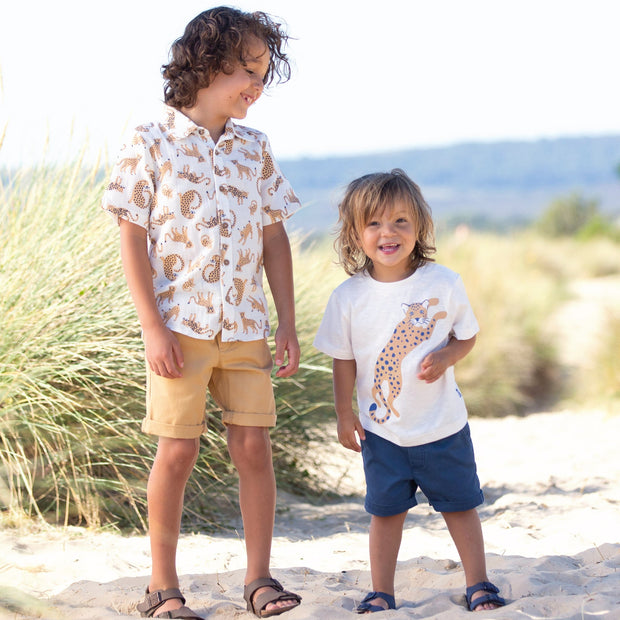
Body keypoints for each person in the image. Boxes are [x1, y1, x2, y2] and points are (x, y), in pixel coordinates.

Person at [102, 7, 302, 618]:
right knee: (177, 451)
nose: (257, 86)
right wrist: (151, 328)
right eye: (249, 70)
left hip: (245, 325)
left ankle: (260, 580)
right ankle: (163, 586)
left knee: (253, 447)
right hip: (179, 331)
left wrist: (287, 322)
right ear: (208, 65)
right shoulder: (151, 141)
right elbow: (131, 236)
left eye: (264, 74)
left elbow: (273, 238)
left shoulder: (255, 149)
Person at [313, 170, 506, 613]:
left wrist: (446, 358)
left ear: (419, 227)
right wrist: (344, 413)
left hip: (442, 426)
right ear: (355, 234)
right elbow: (343, 360)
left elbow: (468, 335)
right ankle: (382, 591)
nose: (389, 233)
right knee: (384, 513)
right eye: (375, 223)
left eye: (401, 221)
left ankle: (478, 584)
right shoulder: (348, 297)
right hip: (383, 432)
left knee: (460, 506)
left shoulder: (442, 283)